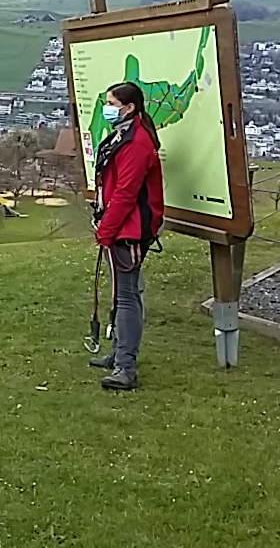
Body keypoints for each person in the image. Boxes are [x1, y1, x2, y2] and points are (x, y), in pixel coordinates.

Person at [88, 81, 164, 391]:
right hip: (121, 226)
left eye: (111, 103)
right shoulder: (125, 134)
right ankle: (119, 354)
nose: (107, 109)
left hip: (129, 229)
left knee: (127, 295)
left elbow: (126, 192)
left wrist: (106, 231)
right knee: (121, 292)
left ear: (129, 107)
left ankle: (126, 367)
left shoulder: (136, 143)